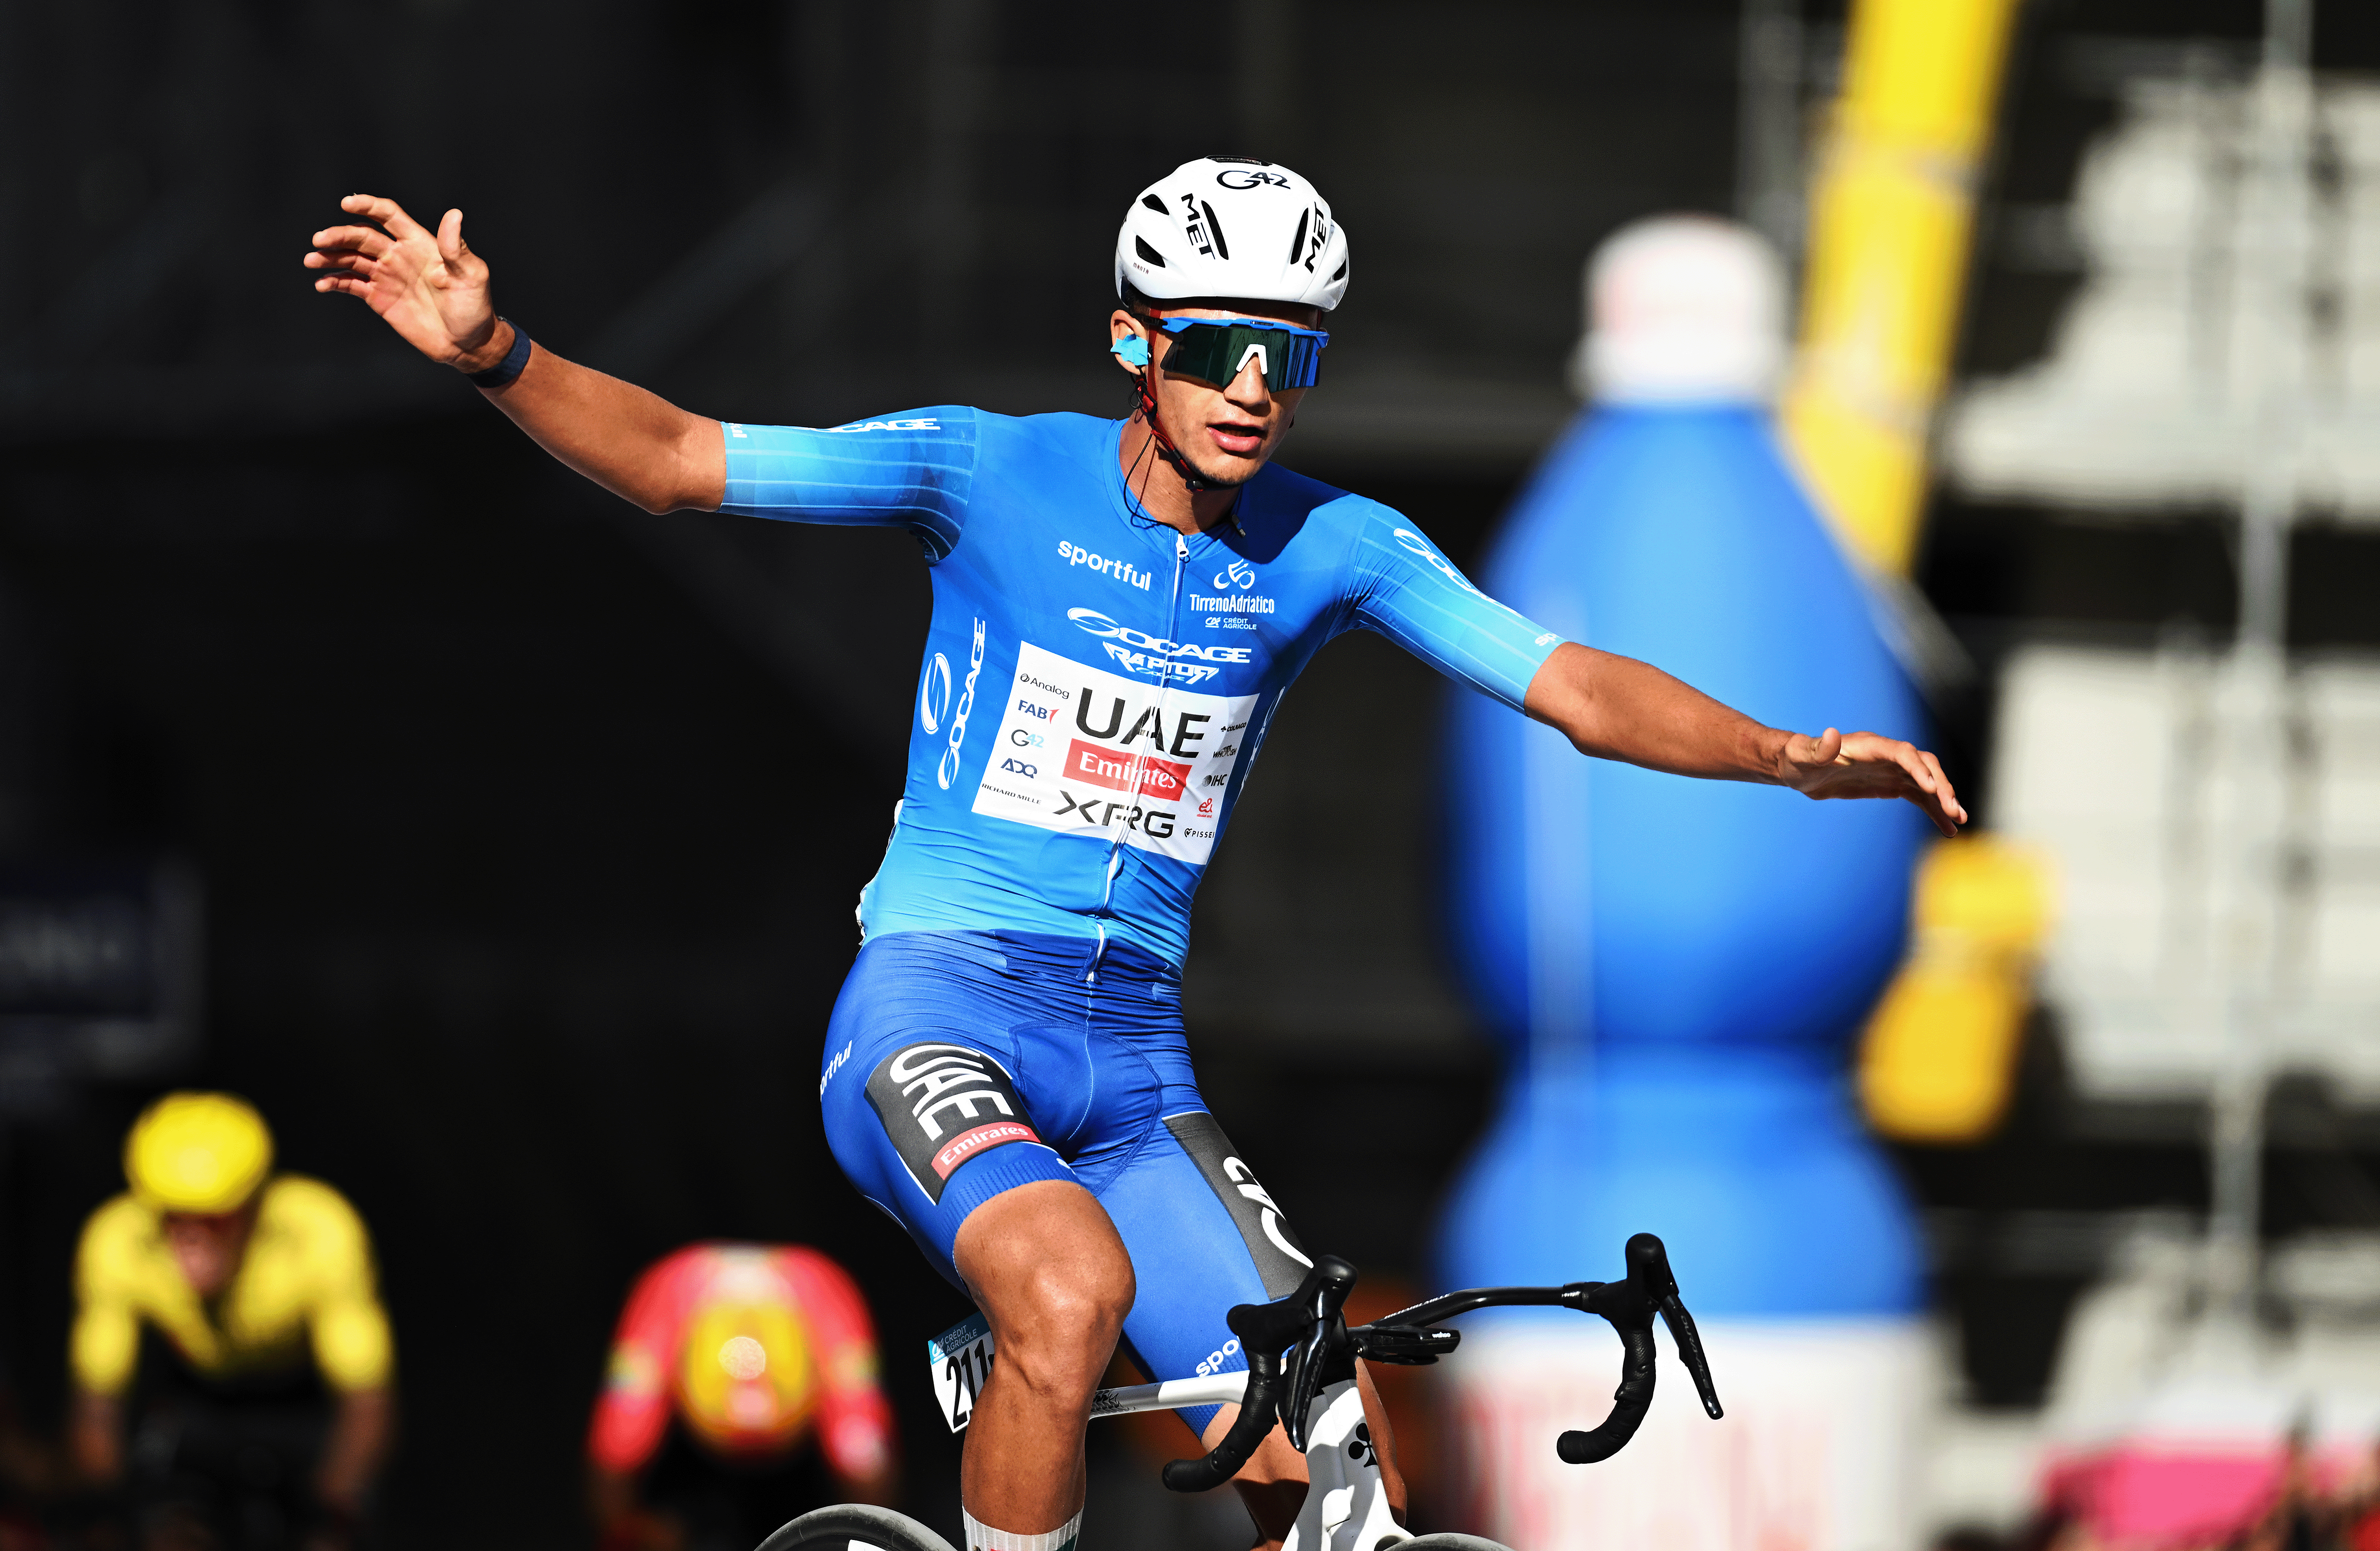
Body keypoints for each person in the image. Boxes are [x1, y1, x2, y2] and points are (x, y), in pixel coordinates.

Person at [304, 156, 1965, 1551]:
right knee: (1068, 1289)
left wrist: (1783, 754)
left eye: (1290, 354)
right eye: (1221, 345)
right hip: (937, 1015)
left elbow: (1577, 689)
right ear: (1134, 341)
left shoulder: (1334, 543)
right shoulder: (987, 468)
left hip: (1135, 1070)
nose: (1256, 386)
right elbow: (678, 462)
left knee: (1334, 1460)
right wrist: (496, 351)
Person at [70, 1093, 393, 1551]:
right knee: (164, 1525)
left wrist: (337, 1511)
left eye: (216, 1219)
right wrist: (105, 1513)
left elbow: (364, 1401)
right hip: (195, 1402)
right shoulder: (117, 1241)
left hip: (301, 1404)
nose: (192, 1239)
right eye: (172, 1217)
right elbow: (98, 1405)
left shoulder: (319, 1230)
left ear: (254, 1208)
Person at [587, 1242, 895, 1551]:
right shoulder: (665, 1295)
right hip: (690, 1477)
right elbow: (614, 1453)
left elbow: (866, 1457)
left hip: (802, 1480)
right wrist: (631, 1532)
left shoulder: (827, 1297)